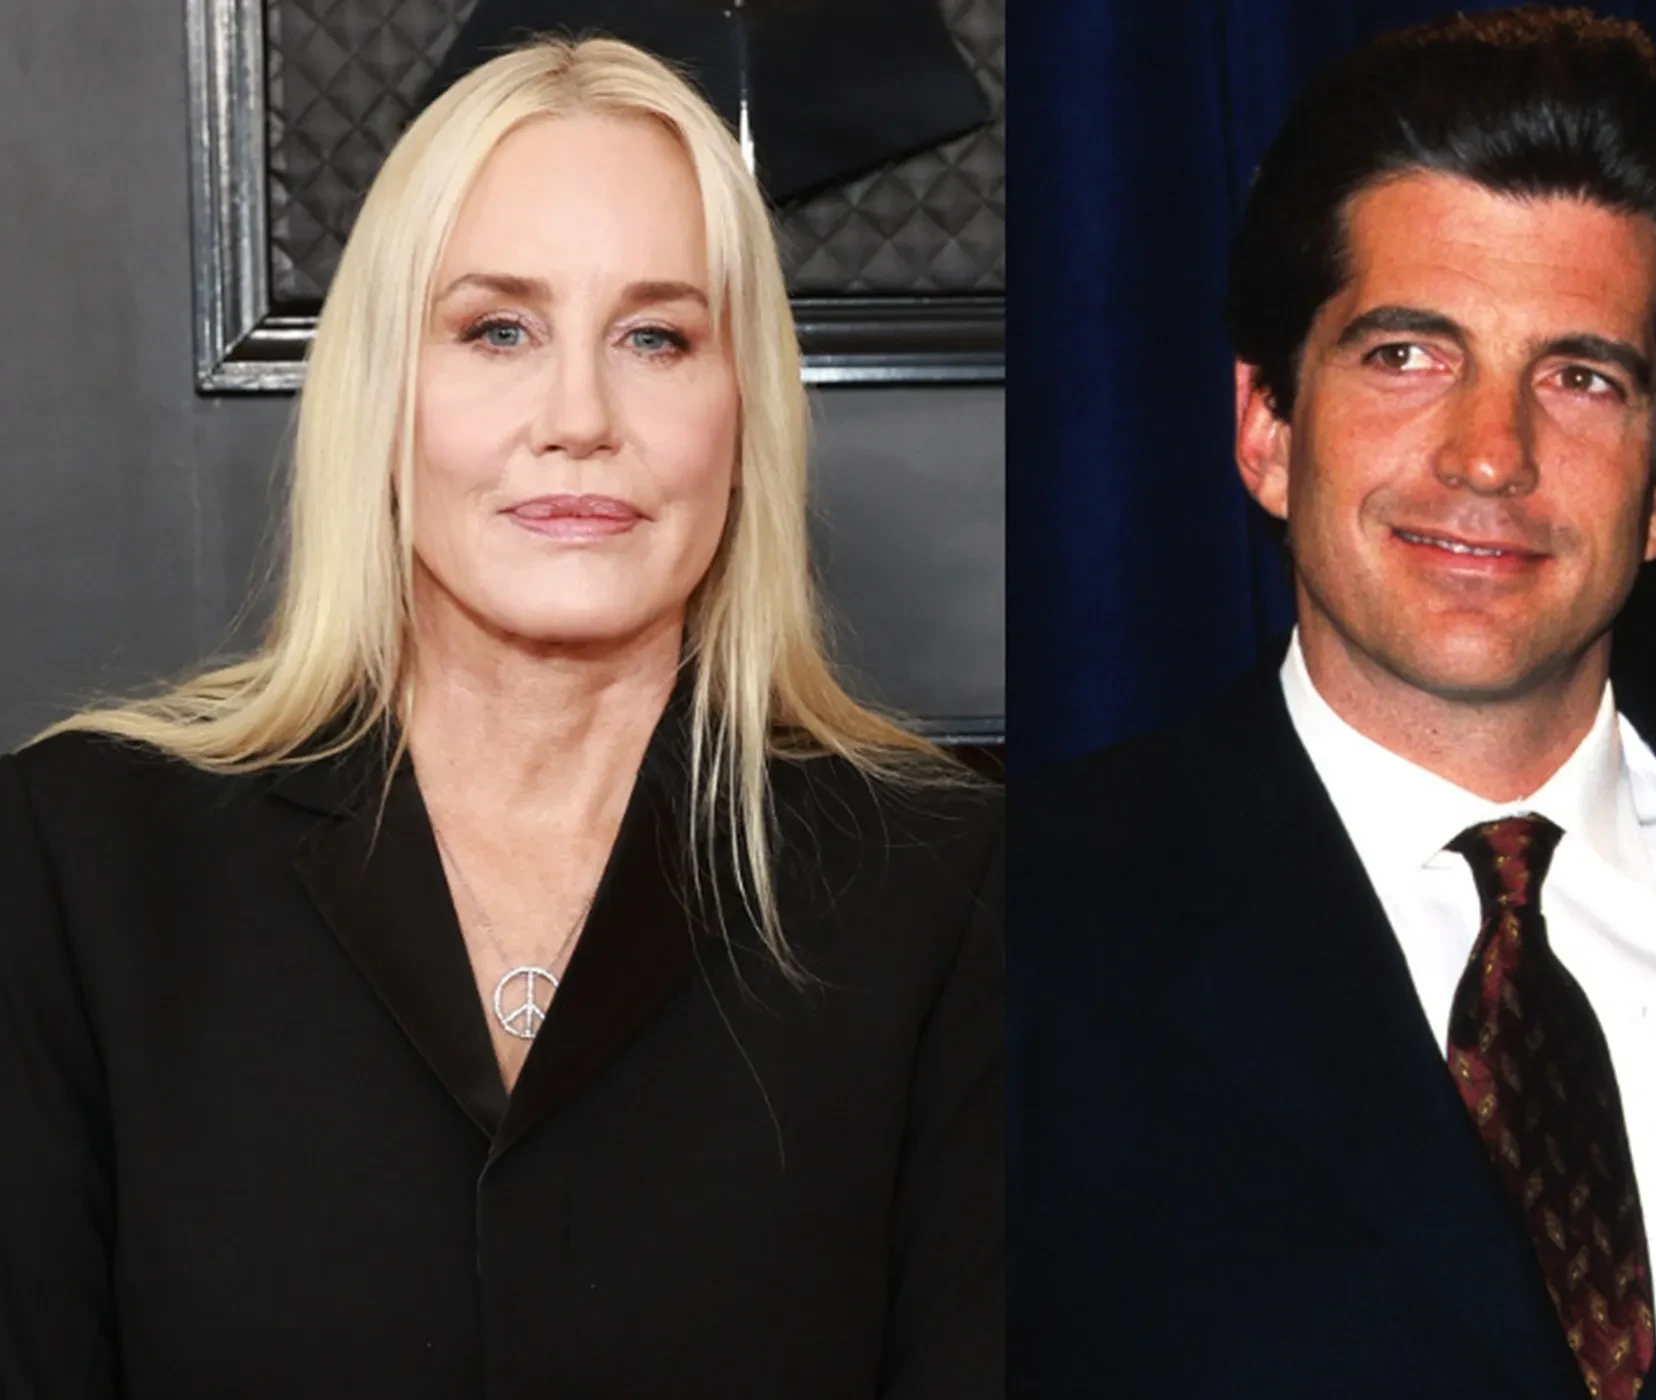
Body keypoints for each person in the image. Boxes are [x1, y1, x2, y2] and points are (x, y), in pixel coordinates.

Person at [1009, 8, 1656, 1397]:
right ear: (1266, 428)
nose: (1491, 455)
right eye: (1406, 356)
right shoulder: (1020, 931)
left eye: (1580, 377)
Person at [0, 37, 1001, 1397]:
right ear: (383, 394)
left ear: (742, 415)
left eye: (655, 337)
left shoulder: (947, 888)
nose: (579, 417)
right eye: (498, 330)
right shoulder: (82, 862)